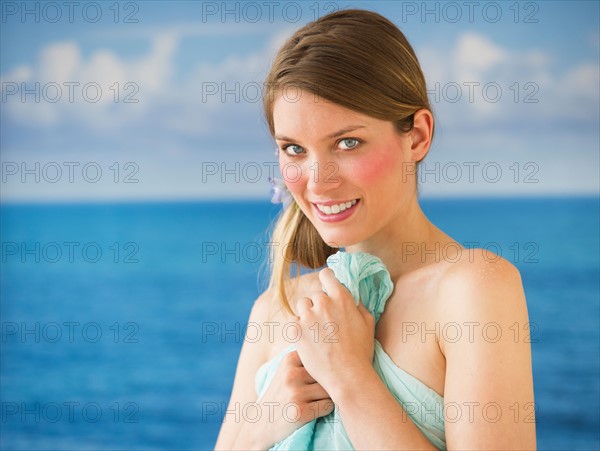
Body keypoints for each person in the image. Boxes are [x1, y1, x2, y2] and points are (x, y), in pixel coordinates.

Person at [215, 8, 536, 450]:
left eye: (347, 142)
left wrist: (348, 376)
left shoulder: (473, 288)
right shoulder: (273, 309)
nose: (317, 180)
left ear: (418, 137)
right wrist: (259, 428)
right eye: (294, 149)